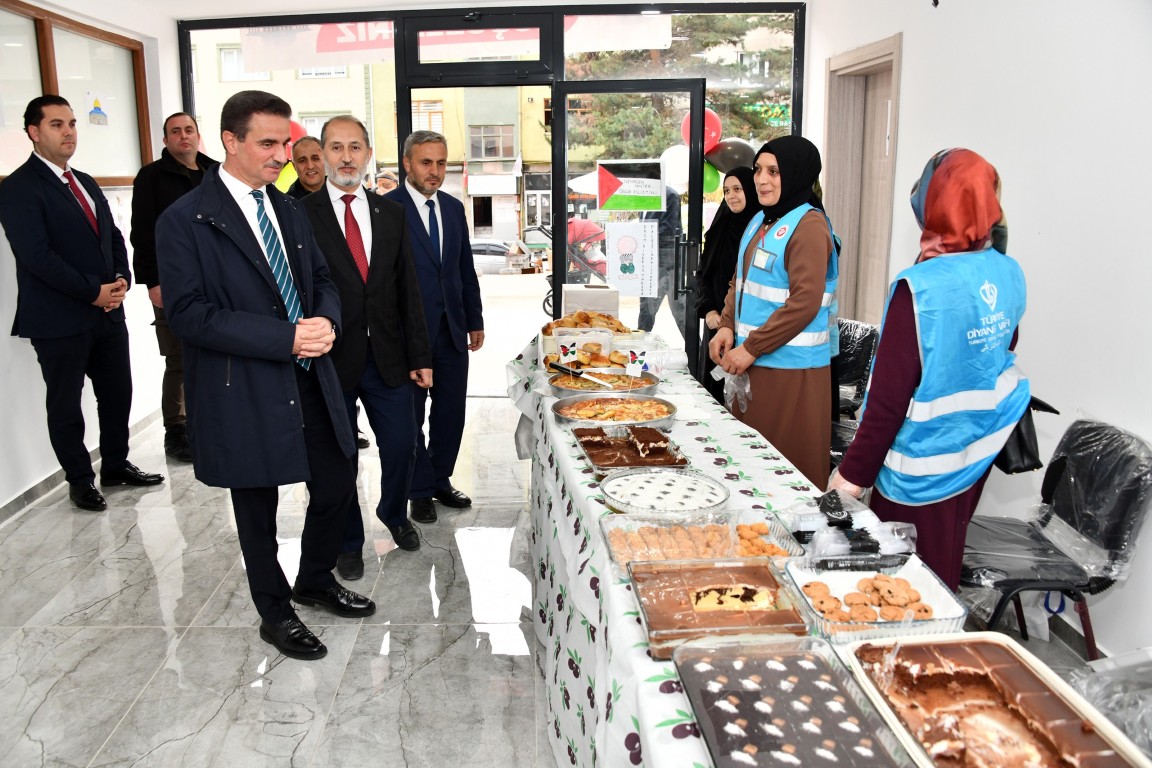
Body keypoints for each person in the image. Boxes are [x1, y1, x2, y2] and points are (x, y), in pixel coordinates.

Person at [155, 90, 375, 661]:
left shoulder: (288, 208)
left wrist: (325, 318)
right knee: (257, 506)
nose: (284, 155)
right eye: (269, 144)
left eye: (286, 141)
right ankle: (274, 611)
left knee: (334, 481)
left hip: (308, 374)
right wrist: (284, 338)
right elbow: (188, 314)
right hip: (243, 384)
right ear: (230, 142)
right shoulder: (185, 220)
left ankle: (315, 578)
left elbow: (322, 277)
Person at [828, 148, 1029, 591]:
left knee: (907, 586)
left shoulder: (919, 289)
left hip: (923, 463)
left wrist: (853, 475)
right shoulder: (1008, 270)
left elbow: (888, 397)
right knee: (944, 561)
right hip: (978, 448)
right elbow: (1002, 349)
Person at [0, 94, 163, 513]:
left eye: (72, 123)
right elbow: (36, 256)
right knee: (66, 402)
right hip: (59, 318)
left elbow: (111, 235)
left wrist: (121, 280)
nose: (69, 131)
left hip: (107, 312)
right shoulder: (18, 188)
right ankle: (79, 479)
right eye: (57, 124)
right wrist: (93, 291)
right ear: (34, 133)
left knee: (117, 393)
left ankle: (115, 465)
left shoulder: (85, 181)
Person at [302, 115, 433, 571]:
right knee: (337, 461)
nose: (345, 157)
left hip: (389, 357)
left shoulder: (390, 213)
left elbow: (407, 289)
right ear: (321, 155)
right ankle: (347, 542)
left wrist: (420, 355)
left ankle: (394, 514)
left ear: (368, 154)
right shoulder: (300, 214)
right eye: (335, 148)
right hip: (329, 360)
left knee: (402, 445)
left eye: (354, 147)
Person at [709, 136, 839, 487]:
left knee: (784, 474)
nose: (762, 180)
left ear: (797, 174)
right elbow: (741, 279)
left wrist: (751, 347)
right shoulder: (761, 221)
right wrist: (726, 326)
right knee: (749, 467)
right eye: (758, 170)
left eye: (774, 171)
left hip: (792, 373)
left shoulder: (809, 226)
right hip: (754, 364)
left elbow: (803, 302)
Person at [385, 131, 484, 522]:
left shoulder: (454, 208)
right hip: (409, 334)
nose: (435, 171)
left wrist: (474, 319)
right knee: (410, 416)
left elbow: (463, 269)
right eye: (426, 163)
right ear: (407, 163)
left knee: (450, 412)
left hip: (452, 329)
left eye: (442, 163)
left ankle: (440, 478)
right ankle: (419, 488)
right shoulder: (386, 209)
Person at [130, 112, 219, 463]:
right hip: (173, 282)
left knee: (215, 353)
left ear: (199, 136)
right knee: (179, 359)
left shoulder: (215, 172)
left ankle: (209, 424)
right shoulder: (151, 177)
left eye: (189, 130)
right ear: (165, 140)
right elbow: (142, 234)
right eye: (175, 132)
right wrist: (153, 282)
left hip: (215, 279)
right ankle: (176, 431)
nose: (183, 136)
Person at [694, 166, 758, 404]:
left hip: (748, 329)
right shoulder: (719, 230)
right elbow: (703, 273)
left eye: (738, 189)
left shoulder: (761, 231)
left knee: (743, 399)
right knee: (713, 394)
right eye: (727, 190)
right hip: (717, 325)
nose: (731, 196)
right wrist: (709, 309)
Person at [637, 185, 686, 338]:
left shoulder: (669, 195)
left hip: (668, 262)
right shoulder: (643, 198)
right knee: (646, 308)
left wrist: (643, 240)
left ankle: (696, 350)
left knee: (679, 310)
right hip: (649, 262)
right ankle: (640, 346)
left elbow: (668, 230)